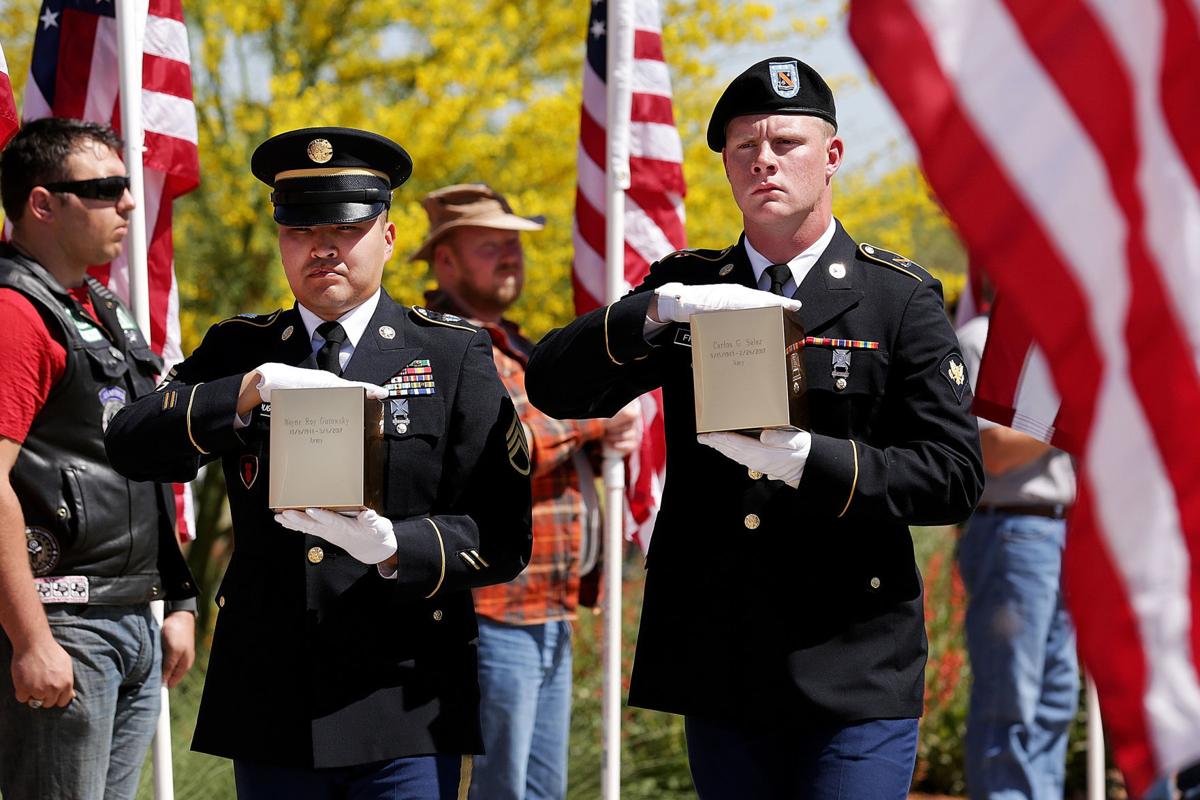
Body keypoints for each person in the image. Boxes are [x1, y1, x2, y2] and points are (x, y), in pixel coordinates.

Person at [525, 57, 984, 799]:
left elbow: (954, 476)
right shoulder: (690, 289)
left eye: (786, 143)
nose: (763, 160)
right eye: (744, 147)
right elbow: (555, 385)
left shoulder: (894, 299)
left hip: (851, 659)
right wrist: (653, 313)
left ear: (832, 155)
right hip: (724, 652)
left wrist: (813, 461)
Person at [104, 128, 533, 800]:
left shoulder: (451, 355)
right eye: (300, 228)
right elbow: (128, 441)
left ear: (387, 238)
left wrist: (398, 546)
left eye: (346, 226)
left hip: (404, 698)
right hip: (276, 699)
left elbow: (503, 536)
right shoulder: (238, 349)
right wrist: (242, 393)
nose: (323, 246)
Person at [413, 183, 641, 800]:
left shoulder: (514, 343)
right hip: (492, 611)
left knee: (538, 790)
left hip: (548, 603)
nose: (510, 257)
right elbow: (501, 445)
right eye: (491, 246)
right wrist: (596, 420)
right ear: (446, 261)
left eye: (513, 246)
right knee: (502, 790)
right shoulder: (443, 343)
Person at [0, 117, 198, 799]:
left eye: (127, 184)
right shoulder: (15, 312)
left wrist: (178, 596)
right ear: (41, 203)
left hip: (131, 616)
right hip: (64, 625)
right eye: (106, 187)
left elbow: (137, 464)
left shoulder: (103, 306)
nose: (130, 202)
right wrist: (31, 640)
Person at [955, 311, 1078, 800]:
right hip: (1013, 528)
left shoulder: (1066, 337)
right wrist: (1078, 413)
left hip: (1061, 528)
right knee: (1011, 699)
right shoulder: (983, 339)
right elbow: (993, 451)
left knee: (1055, 698)